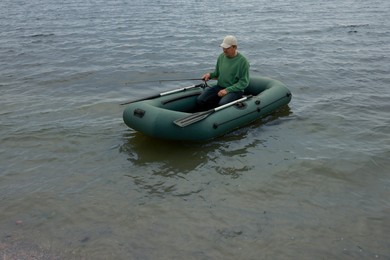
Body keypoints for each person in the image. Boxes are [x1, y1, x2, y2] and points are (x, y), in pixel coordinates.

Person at [197, 35, 250, 110]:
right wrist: (209, 75)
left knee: (222, 104)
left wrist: (227, 90)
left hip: (235, 90)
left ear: (235, 47)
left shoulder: (243, 61)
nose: (224, 50)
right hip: (220, 87)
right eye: (223, 48)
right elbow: (217, 73)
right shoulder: (221, 57)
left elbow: (244, 83)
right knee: (201, 100)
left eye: (227, 48)